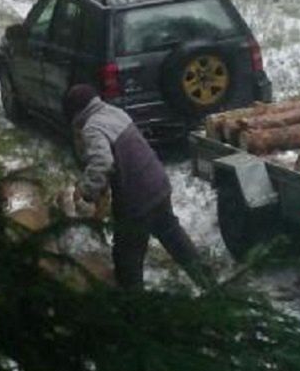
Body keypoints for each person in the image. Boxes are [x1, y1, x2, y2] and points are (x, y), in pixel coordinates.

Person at [62, 84, 209, 290]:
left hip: (136, 199)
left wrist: (87, 191)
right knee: (173, 236)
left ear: (75, 113)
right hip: (157, 183)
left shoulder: (92, 128)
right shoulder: (114, 113)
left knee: (126, 257)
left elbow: (102, 162)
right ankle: (210, 285)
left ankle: (135, 309)